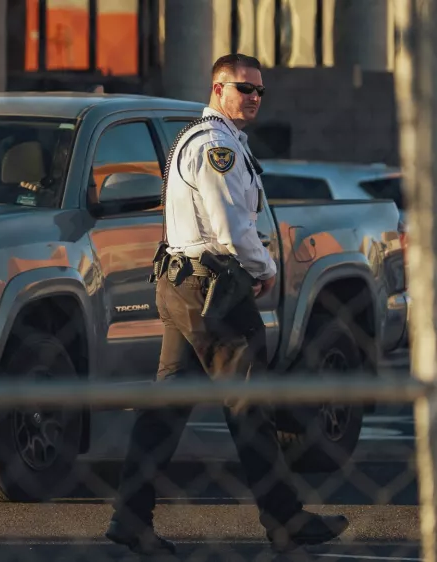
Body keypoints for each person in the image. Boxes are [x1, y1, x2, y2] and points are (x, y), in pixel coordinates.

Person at [103, 53, 350, 555]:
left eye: (261, 90)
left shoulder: (205, 139)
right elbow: (230, 226)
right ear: (218, 89)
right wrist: (265, 268)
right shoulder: (217, 146)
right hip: (210, 291)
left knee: (166, 408)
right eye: (245, 88)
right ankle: (285, 521)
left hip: (183, 286)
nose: (255, 97)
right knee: (248, 405)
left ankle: (130, 518)